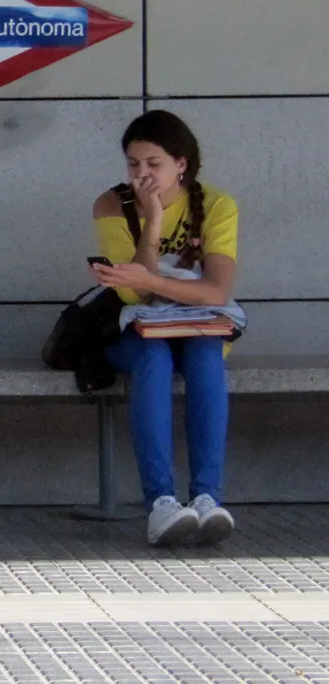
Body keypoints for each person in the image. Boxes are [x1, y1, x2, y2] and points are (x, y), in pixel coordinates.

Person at [89, 110, 242, 547]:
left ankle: (208, 498)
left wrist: (150, 280)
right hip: (133, 332)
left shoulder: (217, 206)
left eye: (153, 164)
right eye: (133, 164)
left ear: (182, 164)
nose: (142, 175)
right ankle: (161, 505)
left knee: (207, 353)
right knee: (152, 358)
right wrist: (153, 221)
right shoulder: (111, 205)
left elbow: (216, 292)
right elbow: (133, 297)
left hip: (196, 330)